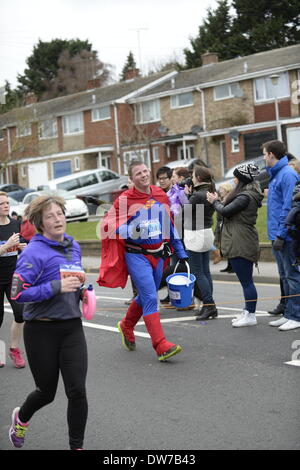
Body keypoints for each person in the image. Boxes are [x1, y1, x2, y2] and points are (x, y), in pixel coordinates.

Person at [9, 195, 88, 449]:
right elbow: (17, 293)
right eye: (50, 216)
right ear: (40, 224)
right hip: (41, 330)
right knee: (46, 392)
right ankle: (21, 418)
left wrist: (83, 291)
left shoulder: (73, 246)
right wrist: (55, 287)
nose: (58, 219)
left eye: (60, 214)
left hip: (71, 328)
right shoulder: (33, 252)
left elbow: (74, 280)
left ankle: (76, 446)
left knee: (77, 391)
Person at [98, 160, 188, 361]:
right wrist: (133, 230)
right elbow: (109, 226)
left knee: (147, 294)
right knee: (149, 297)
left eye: (145, 170)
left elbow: (169, 224)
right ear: (131, 178)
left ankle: (126, 325)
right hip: (136, 255)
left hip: (158, 255)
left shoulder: (159, 194)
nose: (144, 175)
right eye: (138, 173)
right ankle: (161, 345)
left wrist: (180, 251)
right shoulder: (125, 199)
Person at [207, 163, 263, 327]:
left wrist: (214, 201)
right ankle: (247, 311)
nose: (233, 180)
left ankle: (251, 315)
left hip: (242, 241)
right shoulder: (245, 194)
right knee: (245, 281)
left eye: (235, 177)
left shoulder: (245, 197)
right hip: (240, 239)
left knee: (246, 281)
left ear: (241, 179)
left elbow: (224, 211)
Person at [262, 140, 300, 331]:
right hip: (276, 232)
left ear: (271, 155)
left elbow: (289, 206)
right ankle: (289, 313)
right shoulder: (276, 174)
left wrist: (281, 234)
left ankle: (297, 316)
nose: (263, 157)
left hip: (286, 235)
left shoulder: (287, 174)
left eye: (264, 154)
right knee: (284, 275)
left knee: (292, 276)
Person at [184, 166, 218, 320]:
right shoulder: (210, 192)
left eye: (192, 175)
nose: (191, 177)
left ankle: (209, 305)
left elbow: (184, 214)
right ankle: (209, 306)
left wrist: (187, 196)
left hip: (195, 234)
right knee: (205, 271)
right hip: (206, 232)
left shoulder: (197, 195)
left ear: (198, 177)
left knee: (198, 272)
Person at [0, 191, 27, 369]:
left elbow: (22, 245)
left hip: (12, 277)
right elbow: (9, 246)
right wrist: (7, 246)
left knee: (20, 313)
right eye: (2, 203)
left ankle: (14, 349)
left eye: (7, 203)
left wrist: (23, 247)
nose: (6, 206)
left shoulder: (15, 224)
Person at [214, 182, 233, 268]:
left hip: (225, 225)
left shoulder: (228, 200)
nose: (220, 191)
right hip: (220, 224)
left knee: (228, 246)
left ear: (227, 190)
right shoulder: (222, 200)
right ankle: (229, 266)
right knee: (223, 245)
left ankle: (231, 266)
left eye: (222, 189)